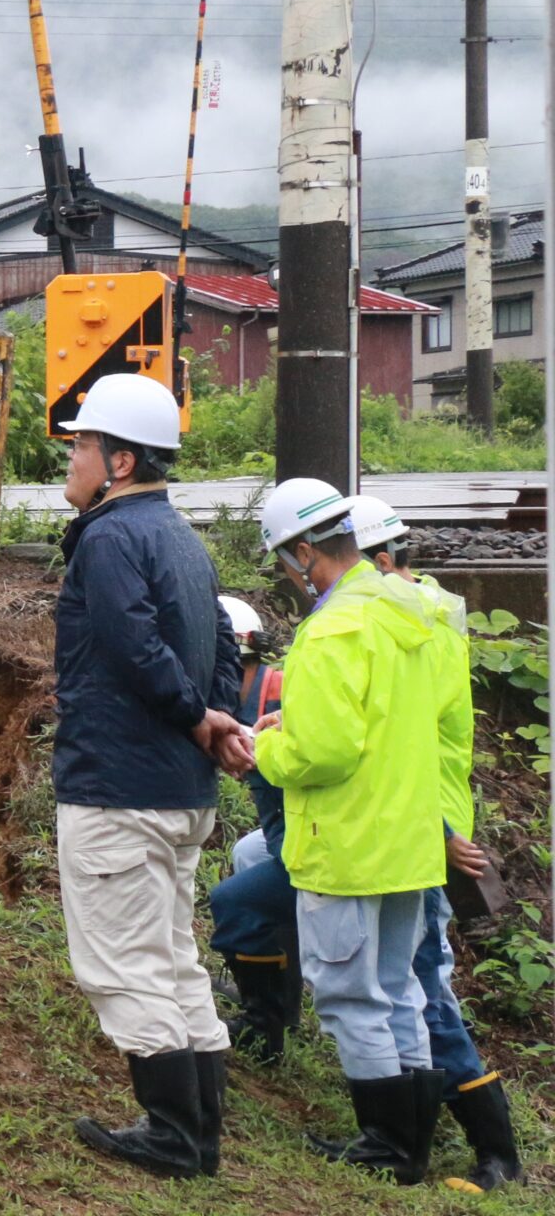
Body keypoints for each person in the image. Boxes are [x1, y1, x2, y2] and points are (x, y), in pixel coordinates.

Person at [52, 373, 248, 1180]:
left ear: (120, 462)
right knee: (173, 957)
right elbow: (228, 642)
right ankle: (199, 1130)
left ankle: (172, 1136)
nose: (69, 460)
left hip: (119, 786)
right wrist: (215, 718)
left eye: (81, 446)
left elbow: (133, 648)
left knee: (125, 966)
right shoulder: (182, 537)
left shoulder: (107, 539)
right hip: (181, 790)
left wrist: (197, 718)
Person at [252, 478, 448, 1186]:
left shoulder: (332, 630)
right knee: (400, 991)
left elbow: (324, 753)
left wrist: (268, 745)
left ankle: (386, 1146)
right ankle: (412, 1148)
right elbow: (383, 724)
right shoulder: (407, 609)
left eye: (284, 561)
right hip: (408, 838)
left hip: (347, 843)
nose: (287, 575)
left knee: (348, 994)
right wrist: (299, 723)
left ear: (307, 553)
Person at [345, 495, 522, 1194]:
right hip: (422, 822)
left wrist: (442, 833)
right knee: (416, 983)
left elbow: (415, 742)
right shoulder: (425, 612)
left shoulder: (416, 624)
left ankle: (495, 1151)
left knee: (422, 987)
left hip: (428, 827)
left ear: (384, 562)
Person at [206, 596, 303, 1066]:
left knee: (235, 900)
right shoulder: (240, 698)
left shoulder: (284, 696)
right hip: (286, 829)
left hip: (315, 835)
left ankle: (266, 1028)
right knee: (248, 853)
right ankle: (280, 1001)